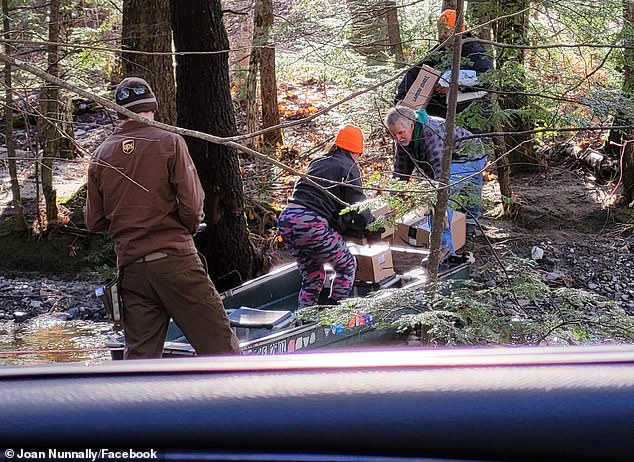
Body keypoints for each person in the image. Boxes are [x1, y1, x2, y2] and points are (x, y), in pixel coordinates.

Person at [85, 76, 241, 359]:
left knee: (140, 365)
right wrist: (187, 227)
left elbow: (94, 221)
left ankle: (139, 404)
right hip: (176, 263)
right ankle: (240, 403)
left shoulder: (101, 155)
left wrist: (128, 220)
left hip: (132, 271)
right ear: (152, 107)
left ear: (120, 112)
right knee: (222, 351)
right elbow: (193, 208)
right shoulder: (170, 142)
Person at [277, 125, 374, 308]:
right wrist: (374, 227)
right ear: (355, 151)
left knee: (313, 274)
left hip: (287, 219)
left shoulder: (319, 161)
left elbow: (318, 198)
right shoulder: (349, 168)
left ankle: (304, 318)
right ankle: (334, 314)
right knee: (347, 265)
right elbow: (359, 206)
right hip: (311, 223)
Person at [384, 105, 488, 240]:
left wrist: (439, 200)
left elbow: (441, 174)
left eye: (401, 133)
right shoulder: (404, 140)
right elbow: (401, 171)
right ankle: (464, 226)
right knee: (455, 193)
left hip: (470, 154)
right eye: (394, 135)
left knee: (440, 200)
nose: (398, 138)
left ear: (412, 125)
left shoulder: (431, 133)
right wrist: (393, 200)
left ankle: (442, 249)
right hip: (450, 160)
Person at [395, 9, 493, 132]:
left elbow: (486, 78)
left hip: (472, 115)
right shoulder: (439, 51)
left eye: (447, 30)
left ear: (459, 30)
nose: (443, 34)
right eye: (441, 30)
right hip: (441, 117)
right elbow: (415, 72)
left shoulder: (475, 51)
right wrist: (402, 98)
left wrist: (455, 85)